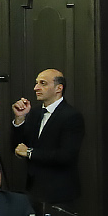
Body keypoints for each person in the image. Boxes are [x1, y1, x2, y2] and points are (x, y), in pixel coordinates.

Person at [10, 69, 85, 207]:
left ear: (58, 88)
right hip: (33, 191)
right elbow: (19, 148)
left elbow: (66, 156)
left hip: (60, 194)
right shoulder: (34, 113)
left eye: (42, 83)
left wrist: (30, 153)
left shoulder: (71, 116)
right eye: (36, 83)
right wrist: (20, 119)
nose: (36, 88)